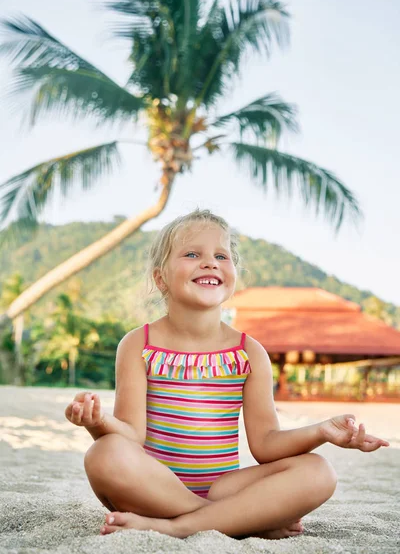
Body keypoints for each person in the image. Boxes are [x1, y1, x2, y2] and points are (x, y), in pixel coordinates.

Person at [65, 209, 390, 540]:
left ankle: (182, 526)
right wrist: (96, 422)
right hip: (152, 490)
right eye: (192, 254)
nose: (209, 262)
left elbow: (265, 444)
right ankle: (239, 520)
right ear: (161, 277)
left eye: (221, 255)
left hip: (224, 489)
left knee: (320, 471)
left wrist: (321, 431)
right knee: (103, 455)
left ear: (233, 274)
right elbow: (131, 436)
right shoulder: (138, 344)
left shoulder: (249, 352)